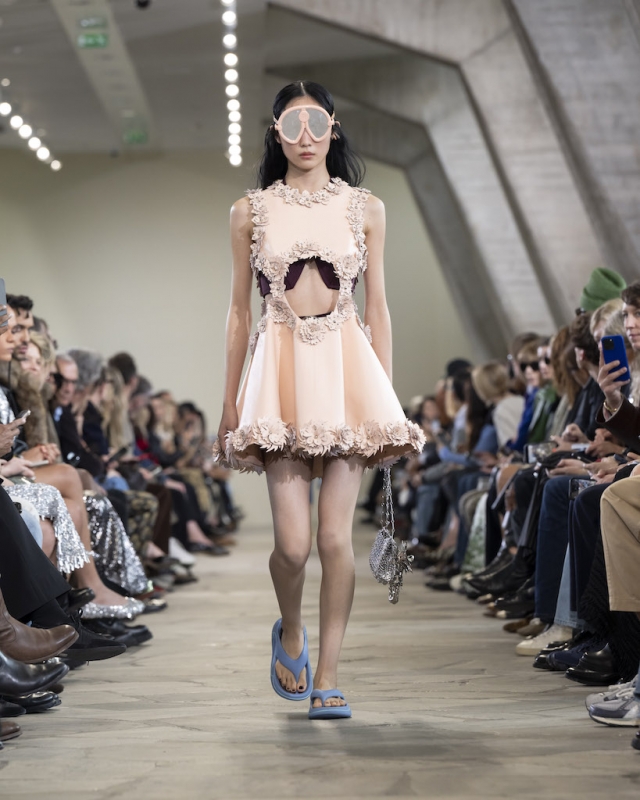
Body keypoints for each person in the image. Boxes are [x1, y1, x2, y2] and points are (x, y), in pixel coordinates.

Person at [215, 81, 424, 719]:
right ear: (275, 131)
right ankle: (291, 629)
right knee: (293, 547)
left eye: (315, 122)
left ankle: (329, 676)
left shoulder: (366, 208)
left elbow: (378, 307)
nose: (305, 137)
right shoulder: (250, 210)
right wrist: (229, 403)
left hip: (345, 372)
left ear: (334, 126)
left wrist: (384, 400)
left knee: (335, 540)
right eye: (291, 124)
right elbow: (238, 311)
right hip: (279, 373)